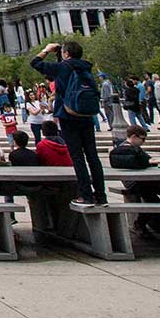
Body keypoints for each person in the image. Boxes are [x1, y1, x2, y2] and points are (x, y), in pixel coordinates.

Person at [31, 41, 107, 206]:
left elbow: (35, 63)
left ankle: (86, 196)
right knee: (92, 156)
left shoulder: (63, 67)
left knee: (77, 156)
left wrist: (46, 50)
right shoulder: (85, 67)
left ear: (66, 54)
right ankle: (101, 196)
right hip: (86, 114)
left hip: (68, 114)